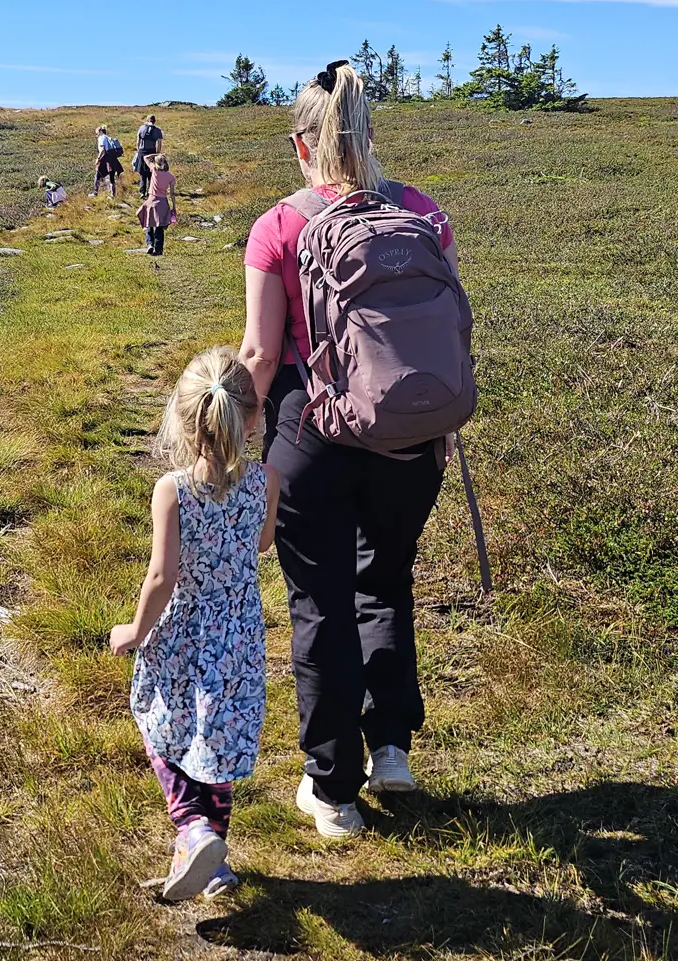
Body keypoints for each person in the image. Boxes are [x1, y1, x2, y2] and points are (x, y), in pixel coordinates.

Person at [238, 59, 457, 839]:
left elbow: (263, 357)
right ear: (371, 134)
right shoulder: (424, 213)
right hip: (410, 431)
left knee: (319, 601)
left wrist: (236, 443)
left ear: (303, 145)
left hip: (313, 429)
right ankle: (391, 746)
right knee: (385, 577)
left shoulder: (279, 225)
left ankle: (331, 789)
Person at [110, 349, 280, 902]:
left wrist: (135, 631)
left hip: (184, 630)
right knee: (219, 740)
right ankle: (217, 864)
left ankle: (193, 830)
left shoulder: (173, 490)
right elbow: (261, 543)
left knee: (159, 719)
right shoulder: (266, 481)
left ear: (184, 420)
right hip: (239, 635)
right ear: (252, 419)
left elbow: (163, 575)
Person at [139, 154, 176, 255]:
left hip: (151, 200)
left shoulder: (154, 170)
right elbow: (172, 194)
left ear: (156, 162)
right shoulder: (171, 177)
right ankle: (158, 249)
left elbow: (145, 157)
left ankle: (150, 244)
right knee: (160, 226)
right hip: (163, 202)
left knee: (149, 223)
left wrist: (156, 154)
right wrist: (174, 206)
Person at [135, 114, 164, 196]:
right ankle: (150, 191)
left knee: (142, 172)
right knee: (152, 172)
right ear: (154, 121)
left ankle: (142, 192)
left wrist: (138, 151)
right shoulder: (158, 130)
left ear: (147, 120)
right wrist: (157, 153)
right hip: (152, 152)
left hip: (142, 152)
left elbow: (138, 141)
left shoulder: (141, 128)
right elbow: (159, 143)